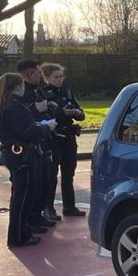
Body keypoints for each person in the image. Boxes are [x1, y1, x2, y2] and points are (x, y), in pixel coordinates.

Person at [0, 72, 56, 248]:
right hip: (22, 155)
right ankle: (19, 236)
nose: (23, 89)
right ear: (17, 88)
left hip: (11, 153)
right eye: (21, 85)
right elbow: (29, 132)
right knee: (23, 197)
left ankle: (22, 233)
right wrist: (47, 127)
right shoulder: (16, 107)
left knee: (20, 195)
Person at [17, 59, 60, 226]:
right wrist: (38, 109)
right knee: (32, 185)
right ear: (29, 74)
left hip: (44, 140)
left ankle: (38, 215)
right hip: (30, 145)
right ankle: (31, 219)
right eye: (37, 73)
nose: (40, 76)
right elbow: (23, 118)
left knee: (43, 181)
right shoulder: (22, 95)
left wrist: (48, 107)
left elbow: (46, 109)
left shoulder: (38, 91)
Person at [41, 63, 86, 217]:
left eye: (61, 76)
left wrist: (76, 113)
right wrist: (62, 114)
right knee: (51, 175)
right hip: (54, 138)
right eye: (56, 77)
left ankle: (69, 206)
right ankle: (49, 208)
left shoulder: (67, 91)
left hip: (69, 137)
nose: (60, 80)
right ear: (47, 78)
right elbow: (44, 118)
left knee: (69, 174)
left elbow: (82, 114)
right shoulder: (43, 94)